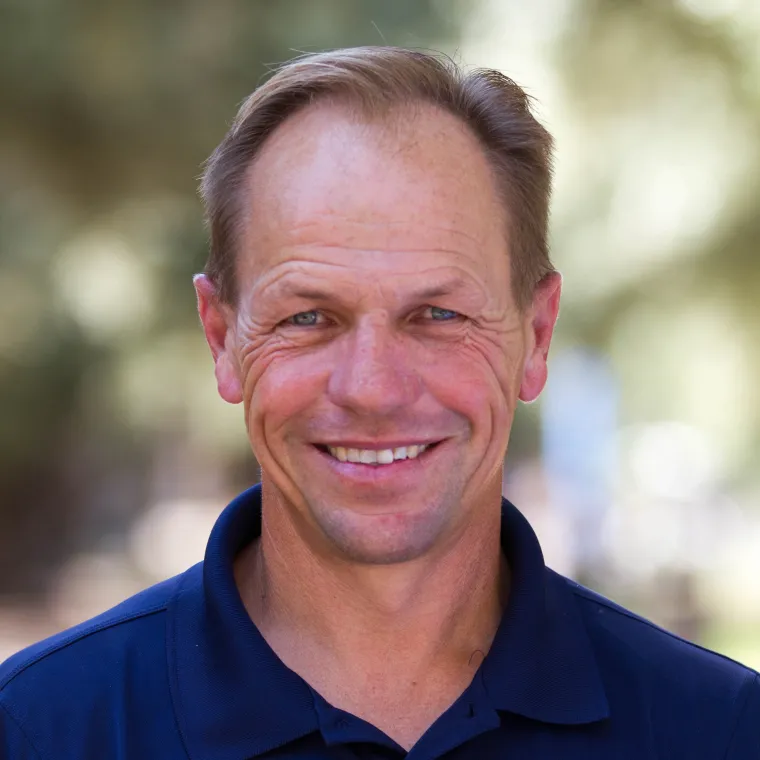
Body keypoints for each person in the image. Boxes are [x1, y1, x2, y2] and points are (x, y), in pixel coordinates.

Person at [0, 46, 758, 759]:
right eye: (308, 317)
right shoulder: (38, 730)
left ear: (536, 333)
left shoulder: (720, 731)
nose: (372, 388)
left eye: (438, 315)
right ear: (221, 338)